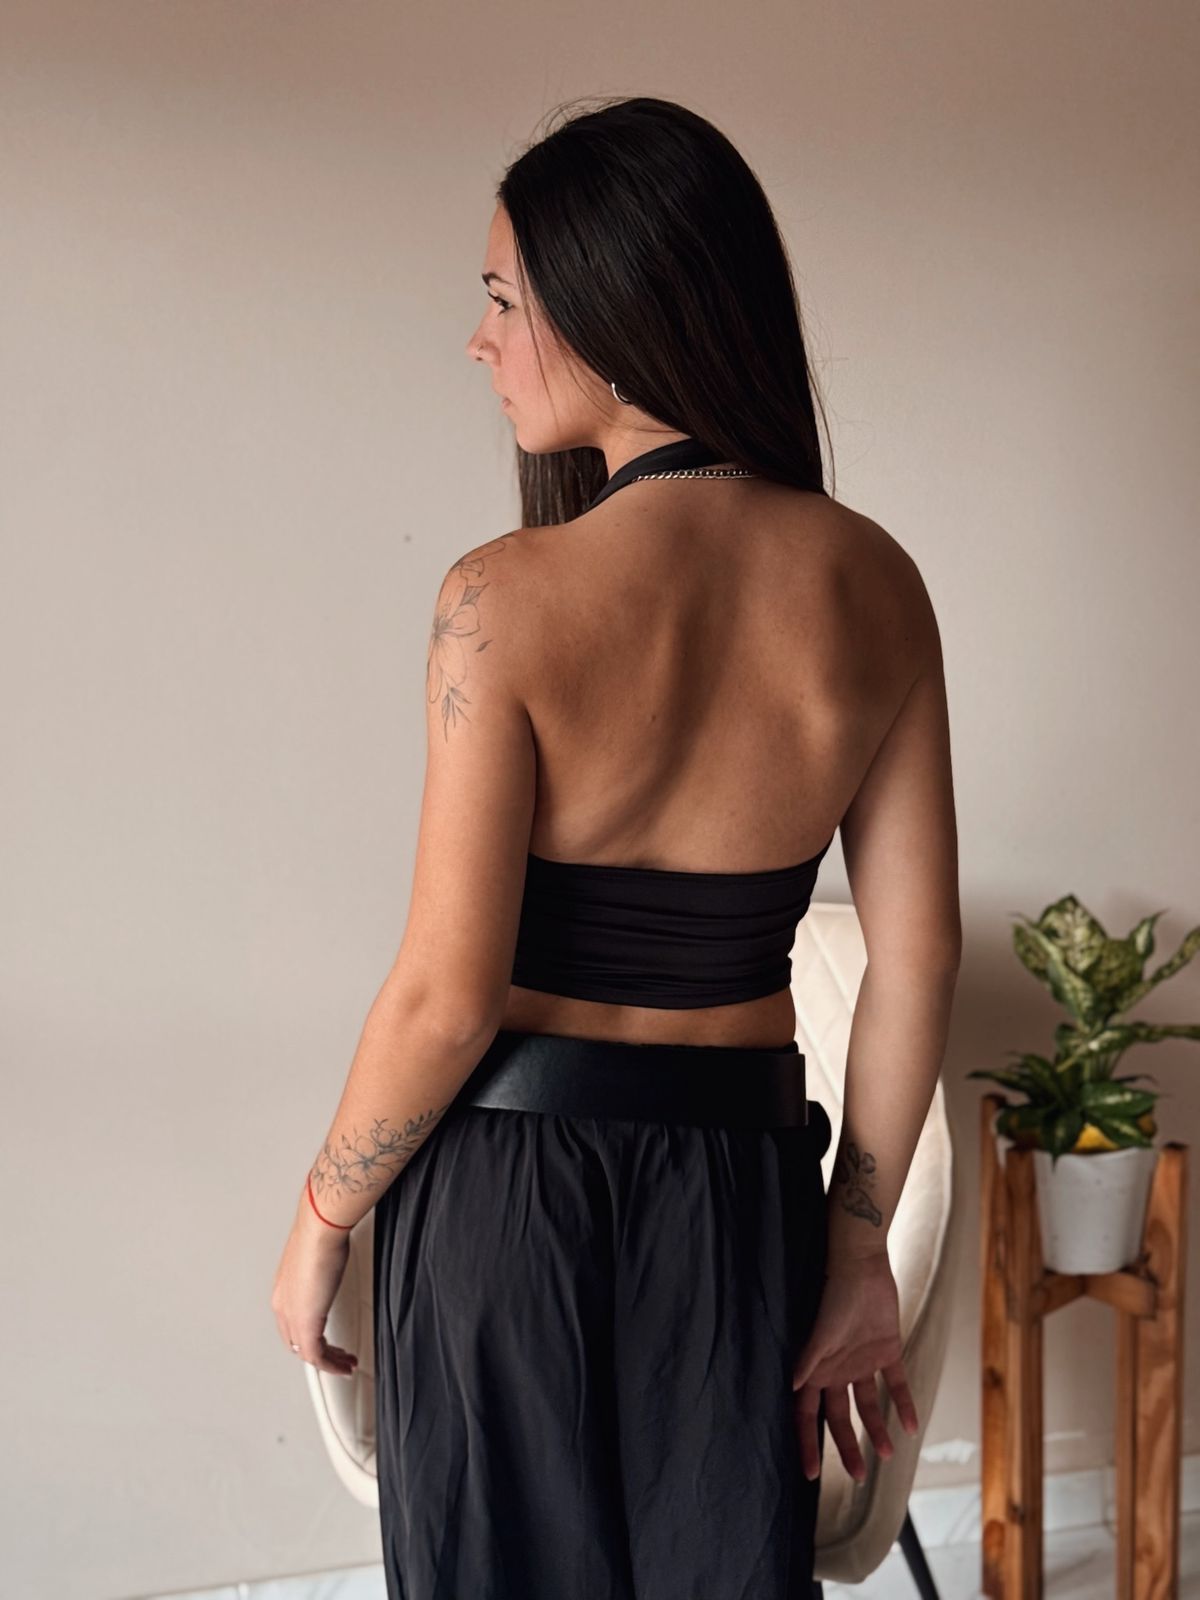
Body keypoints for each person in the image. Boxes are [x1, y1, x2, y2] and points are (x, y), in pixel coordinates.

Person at [272, 94, 961, 1600]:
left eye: (503, 301)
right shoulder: (878, 585)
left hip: (505, 1201)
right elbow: (916, 963)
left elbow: (445, 999)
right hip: (740, 1197)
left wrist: (322, 1217)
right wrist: (857, 1250)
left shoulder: (501, 600)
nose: (479, 343)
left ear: (616, 310)